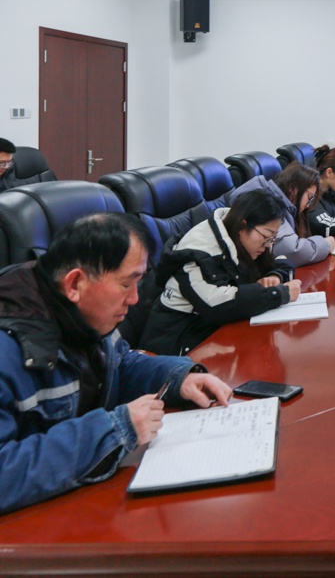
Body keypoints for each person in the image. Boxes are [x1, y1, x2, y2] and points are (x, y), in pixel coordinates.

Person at [0, 212, 232, 514]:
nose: (135, 299)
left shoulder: (82, 314)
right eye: (126, 284)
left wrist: (179, 378)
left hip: (83, 503)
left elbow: (119, 364)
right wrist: (114, 430)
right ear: (75, 283)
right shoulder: (10, 348)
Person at [140, 190, 302, 355]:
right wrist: (277, 294)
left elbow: (281, 262)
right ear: (243, 225)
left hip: (214, 333)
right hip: (178, 344)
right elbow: (218, 306)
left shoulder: (249, 239)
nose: (268, 245)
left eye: (272, 238)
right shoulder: (198, 252)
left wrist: (274, 276)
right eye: (267, 236)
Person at [229, 162, 335, 267]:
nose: (308, 205)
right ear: (293, 189)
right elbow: (291, 250)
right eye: (309, 197)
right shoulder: (267, 203)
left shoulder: (282, 203)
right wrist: (325, 244)